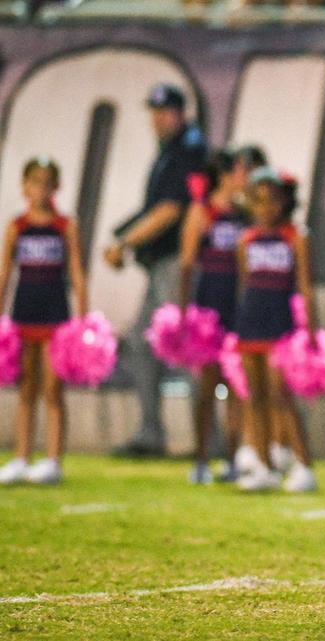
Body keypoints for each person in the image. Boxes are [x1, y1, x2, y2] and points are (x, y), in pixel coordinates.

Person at [106, 83, 207, 457]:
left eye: (165, 111)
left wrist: (123, 243)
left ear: (181, 112)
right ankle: (151, 433)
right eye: (154, 111)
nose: (159, 118)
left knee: (187, 347)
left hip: (178, 264)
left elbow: (171, 210)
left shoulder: (188, 149)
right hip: (162, 264)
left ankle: (208, 438)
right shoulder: (174, 150)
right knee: (142, 342)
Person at [178, 146, 266, 485]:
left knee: (236, 385)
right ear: (227, 175)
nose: (247, 178)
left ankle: (231, 458)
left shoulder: (245, 215)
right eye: (242, 171)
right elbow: (187, 265)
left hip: (239, 305)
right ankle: (201, 459)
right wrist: (185, 312)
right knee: (206, 386)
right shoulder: (202, 212)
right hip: (209, 306)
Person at [0, 158, 88, 485]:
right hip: (24, 313)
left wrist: (83, 317)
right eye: (34, 181)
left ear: (56, 187)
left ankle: (53, 460)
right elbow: (5, 273)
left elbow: (77, 271)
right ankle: (21, 457)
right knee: (26, 388)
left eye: (46, 181)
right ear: (24, 186)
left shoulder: (66, 226)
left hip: (55, 316)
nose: (40, 188)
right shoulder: (17, 226)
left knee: (52, 389)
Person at [232, 167, 317, 493]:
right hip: (250, 324)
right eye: (259, 201)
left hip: (281, 325)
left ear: (284, 202)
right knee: (254, 397)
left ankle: (305, 466)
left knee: (282, 397)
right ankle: (264, 466)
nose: (266, 208)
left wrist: (310, 331)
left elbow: (305, 287)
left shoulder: (296, 236)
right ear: (250, 204)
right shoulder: (245, 240)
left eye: (272, 200)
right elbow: (243, 285)